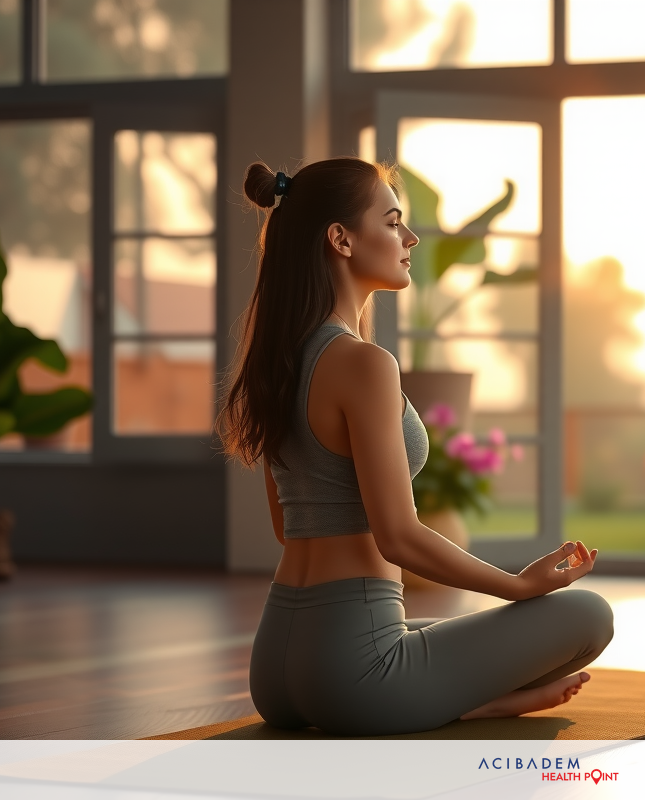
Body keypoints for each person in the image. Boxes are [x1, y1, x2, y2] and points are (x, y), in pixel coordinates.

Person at [217, 157, 614, 736]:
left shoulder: (278, 362)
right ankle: (473, 704)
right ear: (341, 239)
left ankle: (433, 692)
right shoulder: (362, 363)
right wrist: (519, 585)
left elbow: (290, 527)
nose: (410, 237)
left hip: (276, 668)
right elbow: (397, 536)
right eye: (393, 220)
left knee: (428, 629)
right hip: (354, 680)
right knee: (587, 616)